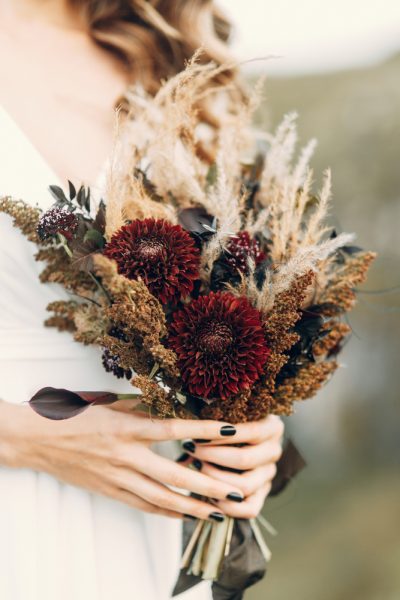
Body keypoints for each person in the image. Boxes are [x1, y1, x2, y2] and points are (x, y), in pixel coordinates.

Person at [0, 2, 284, 599]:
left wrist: (251, 429)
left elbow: (221, 288)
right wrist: (20, 436)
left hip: (145, 524)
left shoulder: (170, 60)